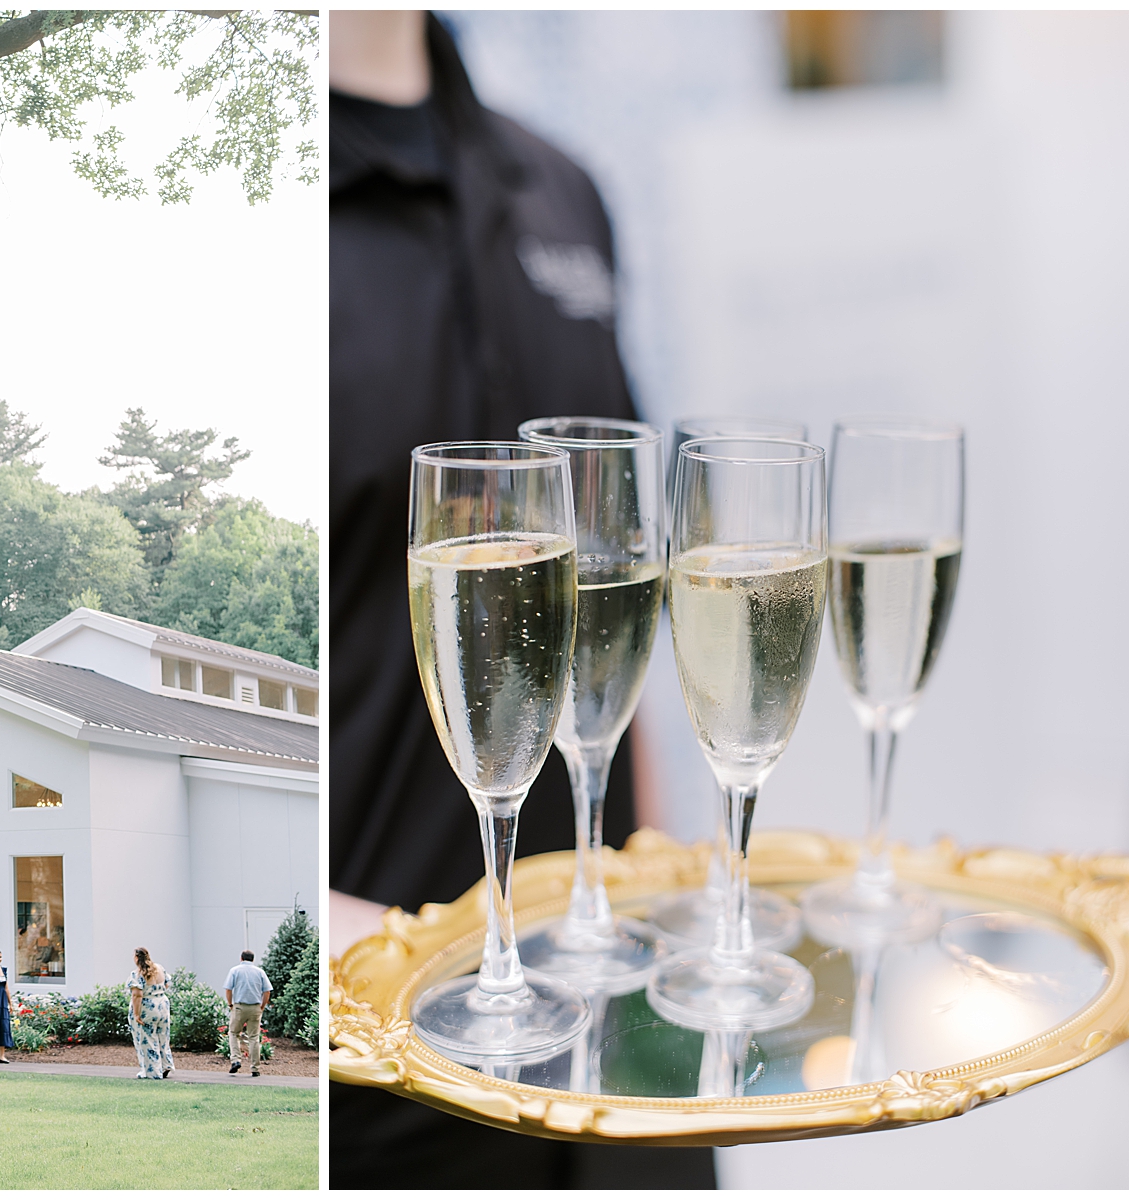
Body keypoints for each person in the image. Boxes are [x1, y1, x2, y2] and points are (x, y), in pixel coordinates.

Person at [329, 11, 715, 1188]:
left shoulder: (561, 188)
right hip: (371, 1070)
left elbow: (618, 582)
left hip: (612, 1025)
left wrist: (653, 876)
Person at [223, 950, 273, 1077]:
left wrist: (230, 1004)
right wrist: (262, 1006)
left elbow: (228, 989)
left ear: (241, 958)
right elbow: (267, 991)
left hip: (239, 1007)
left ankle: (236, 1060)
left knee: (234, 1033)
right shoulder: (260, 972)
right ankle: (255, 1068)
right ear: (253, 959)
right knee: (254, 1038)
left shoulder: (235, 971)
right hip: (255, 1007)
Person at [128, 946, 174, 1080]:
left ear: (136, 958)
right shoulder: (159, 968)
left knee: (147, 1039)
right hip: (162, 1005)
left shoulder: (136, 974)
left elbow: (137, 995)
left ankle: (152, 1071)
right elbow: (167, 984)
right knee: (163, 1037)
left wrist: (136, 1014)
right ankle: (166, 1065)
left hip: (148, 1008)